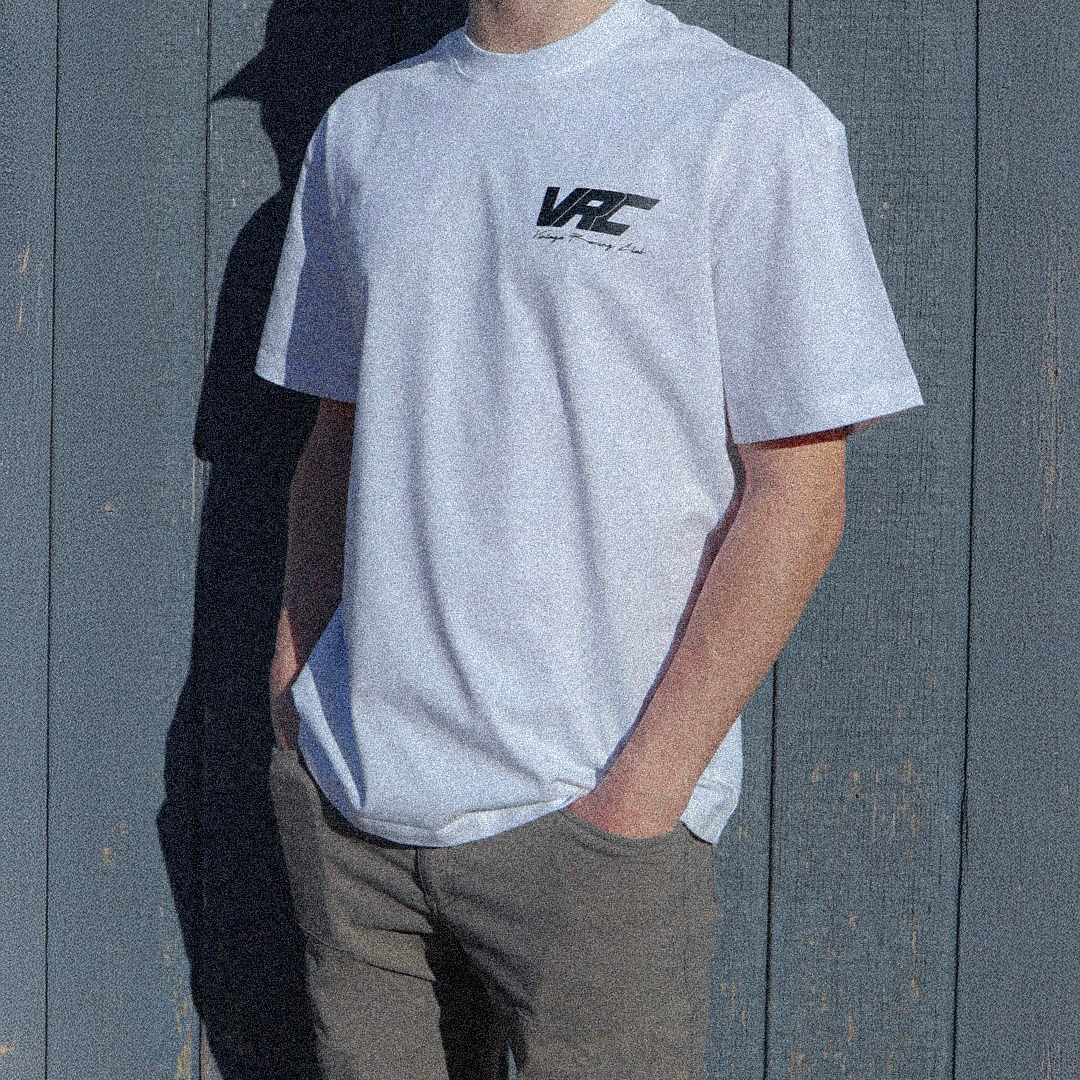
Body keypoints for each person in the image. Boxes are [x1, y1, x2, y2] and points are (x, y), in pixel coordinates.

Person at [253, 0, 926, 1076]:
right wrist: (297, 689)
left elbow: (799, 493)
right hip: (355, 809)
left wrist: (640, 798)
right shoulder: (369, 127)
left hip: (590, 819)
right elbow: (339, 429)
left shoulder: (742, 116)